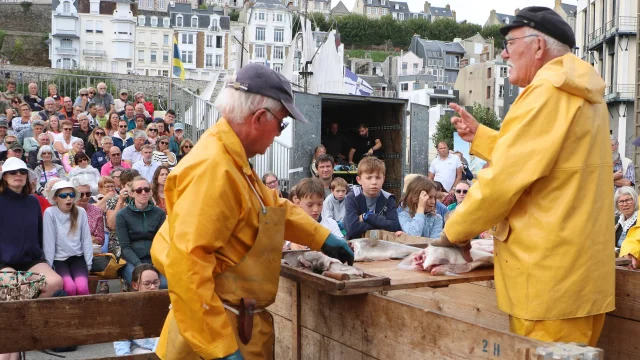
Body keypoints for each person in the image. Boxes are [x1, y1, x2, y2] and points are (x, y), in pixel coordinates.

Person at [149, 64, 353, 360]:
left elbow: (271, 206)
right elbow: (188, 265)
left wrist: (321, 237)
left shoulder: (233, 159)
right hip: (212, 337)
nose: (279, 133)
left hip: (235, 326)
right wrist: (219, 348)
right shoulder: (214, 168)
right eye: (281, 124)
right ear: (259, 118)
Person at [443, 6, 614, 346]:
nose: (504, 53)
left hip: (547, 285)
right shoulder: (578, 91)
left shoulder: (546, 92)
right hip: (577, 281)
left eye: (509, 42)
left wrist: (450, 235)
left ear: (538, 47)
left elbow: (504, 178)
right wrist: (482, 137)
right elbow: (545, 158)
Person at [0, 158, 64, 360]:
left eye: (21, 171)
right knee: (13, 291)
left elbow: (38, 232)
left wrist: (40, 256)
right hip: (3, 261)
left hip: (30, 257)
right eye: (12, 172)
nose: (18, 175)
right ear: (4, 177)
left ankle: (23, 323)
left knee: (55, 282)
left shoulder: (33, 201)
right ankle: (13, 347)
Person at [43, 180, 93, 296]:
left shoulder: (80, 212)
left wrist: (89, 263)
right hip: (58, 260)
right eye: (64, 196)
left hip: (77, 258)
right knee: (69, 288)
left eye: (71, 195)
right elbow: (49, 242)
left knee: (82, 288)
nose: (69, 198)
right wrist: (49, 266)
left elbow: (86, 239)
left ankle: (86, 313)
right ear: (56, 199)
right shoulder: (50, 213)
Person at [116, 177, 167, 288]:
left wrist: (153, 264)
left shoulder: (159, 214)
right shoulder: (122, 215)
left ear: (150, 192)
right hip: (132, 260)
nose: (143, 193)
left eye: (146, 189)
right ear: (132, 194)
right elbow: (125, 247)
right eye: (139, 190)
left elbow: (161, 242)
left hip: (154, 259)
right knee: (142, 283)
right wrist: (141, 266)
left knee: (163, 284)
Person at [344, 156, 400, 239]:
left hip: (382, 245)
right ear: (359, 180)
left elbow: (394, 227)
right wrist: (382, 223)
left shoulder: (388, 198)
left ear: (383, 179)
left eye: (378, 177)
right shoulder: (352, 197)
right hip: (356, 246)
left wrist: (367, 217)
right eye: (369, 178)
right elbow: (352, 229)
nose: (374, 182)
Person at [113, 264, 161, 355]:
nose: (152, 287)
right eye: (147, 284)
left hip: (163, 350)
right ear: (135, 285)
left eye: (156, 282)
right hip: (140, 349)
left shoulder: (166, 305)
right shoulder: (128, 309)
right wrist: (125, 357)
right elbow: (121, 341)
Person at [72, 177, 105, 246]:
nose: (84, 197)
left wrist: (95, 239)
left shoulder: (96, 211)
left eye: (88, 194)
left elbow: (101, 239)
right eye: (81, 194)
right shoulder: (66, 210)